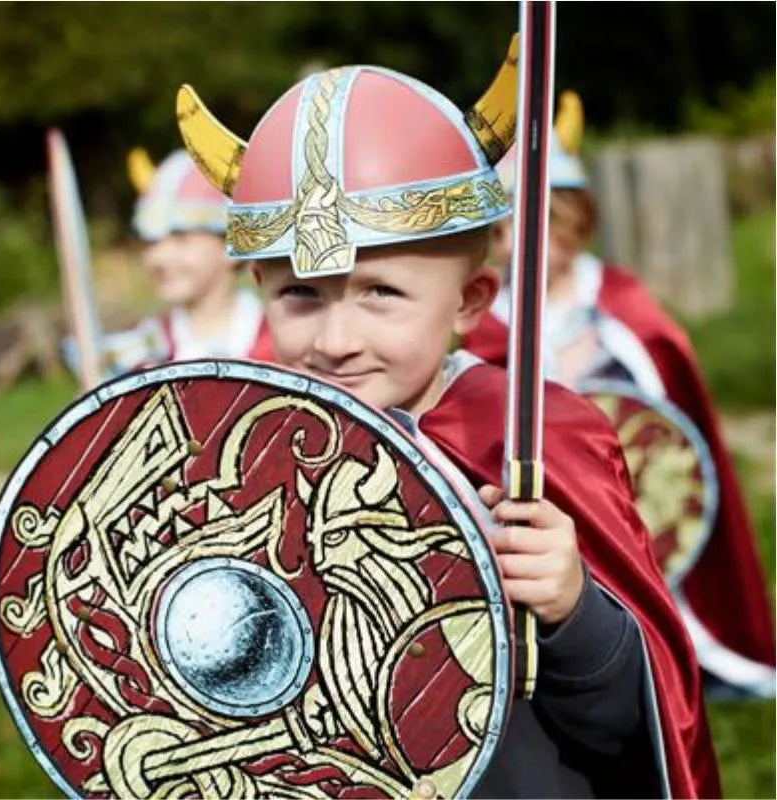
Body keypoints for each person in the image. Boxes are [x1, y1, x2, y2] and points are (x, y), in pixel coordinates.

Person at [177, 50, 720, 798]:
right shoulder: (231, 455)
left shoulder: (533, 439)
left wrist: (573, 612)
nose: (335, 339)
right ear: (258, 287)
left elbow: (631, 724)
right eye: (301, 293)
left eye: (381, 293)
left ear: (472, 301)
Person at [463, 91, 776, 699]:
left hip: (627, 496)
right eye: (498, 232)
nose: (515, 247)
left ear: (573, 218)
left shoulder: (626, 311)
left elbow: (669, 433)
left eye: (534, 225)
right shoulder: (484, 324)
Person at [64, 148, 273, 377]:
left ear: (230, 244)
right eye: (152, 242)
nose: (158, 257)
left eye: (181, 238)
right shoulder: (134, 357)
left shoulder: (280, 342)